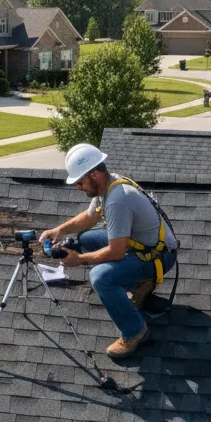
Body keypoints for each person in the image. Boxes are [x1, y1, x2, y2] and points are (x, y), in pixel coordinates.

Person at [40, 143, 178, 358]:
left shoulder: (117, 200)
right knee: (86, 238)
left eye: (80, 182)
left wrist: (79, 259)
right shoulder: (108, 184)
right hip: (140, 243)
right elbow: (90, 217)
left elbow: (116, 253)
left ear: (94, 174)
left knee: (100, 277)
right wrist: (60, 230)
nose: (78, 187)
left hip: (158, 255)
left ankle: (135, 332)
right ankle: (138, 283)